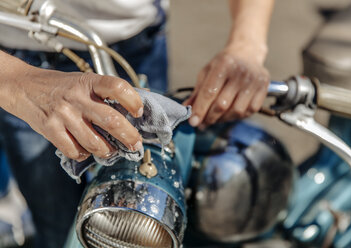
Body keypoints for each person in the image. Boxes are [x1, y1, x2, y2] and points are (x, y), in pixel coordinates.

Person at [0, 0, 274, 247]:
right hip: (18, 60)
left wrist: (246, 44)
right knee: (56, 225)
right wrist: (17, 84)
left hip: (133, 43)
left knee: (141, 221)